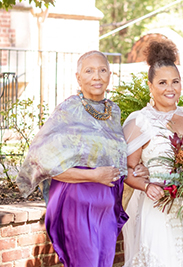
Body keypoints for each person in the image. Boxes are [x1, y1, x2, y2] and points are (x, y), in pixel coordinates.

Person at [16, 51, 130, 266]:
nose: (96, 76)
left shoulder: (113, 110)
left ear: (110, 74)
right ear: (78, 77)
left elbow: (119, 157)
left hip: (106, 207)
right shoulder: (68, 111)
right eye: (89, 71)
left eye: (102, 70)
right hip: (77, 201)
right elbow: (42, 162)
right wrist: (94, 175)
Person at [122, 41, 183, 267]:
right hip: (159, 209)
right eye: (162, 82)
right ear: (150, 86)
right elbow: (123, 170)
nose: (171, 88)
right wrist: (147, 186)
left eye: (175, 82)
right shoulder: (140, 121)